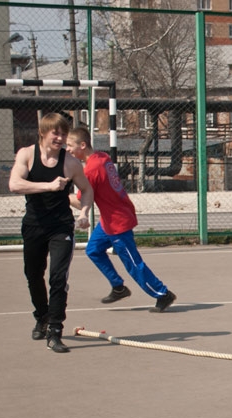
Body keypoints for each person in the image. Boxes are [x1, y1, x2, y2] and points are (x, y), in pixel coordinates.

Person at [65, 127, 177, 313]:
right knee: (93, 250)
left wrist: (58, 194)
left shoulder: (92, 169)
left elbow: (80, 203)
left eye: (70, 145)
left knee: (133, 263)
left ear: (82, 145)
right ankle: (118, 287)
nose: (67, 149)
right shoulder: (101, 157)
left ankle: (163, 294)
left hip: (118, 221)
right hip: (109, 219)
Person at [9, 113, 94, 353]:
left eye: (64, 134)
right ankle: (42, 316)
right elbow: (15, 185)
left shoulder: (71, 163)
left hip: (61, 226)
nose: (60, 138)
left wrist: (84, 213)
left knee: (58, 277)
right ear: (43, 133)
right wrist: (48, 186)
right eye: (56, 133)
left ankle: (55, 330)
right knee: (33, 274)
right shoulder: (27, 155)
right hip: (34, 225)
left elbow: (87, 190)